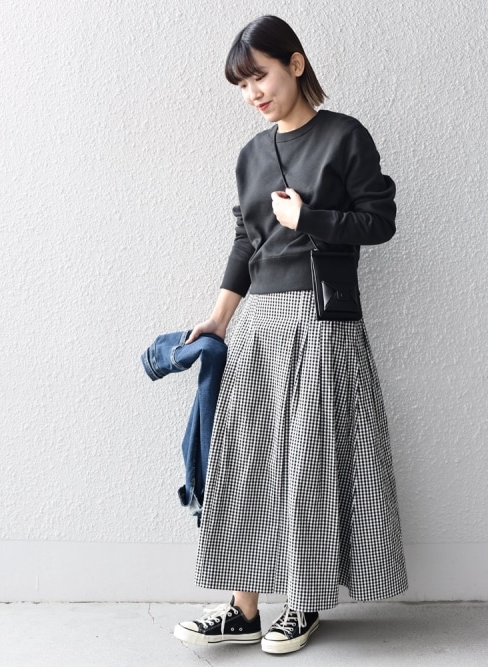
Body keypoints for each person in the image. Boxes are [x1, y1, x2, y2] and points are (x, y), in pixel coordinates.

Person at [173, 14, 408, 655]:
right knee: (246, 462)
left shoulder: (344, 136)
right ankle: (243, 609)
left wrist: (312, 218)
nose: (253, 92)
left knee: (308, 462)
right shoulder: (252, 154)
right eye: (243, 84)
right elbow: (245, 240)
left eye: (262, 76)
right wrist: (219, 317)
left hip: (324, 319)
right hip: (262, 323)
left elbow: (380, 222)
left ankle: (303, 601)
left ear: (295, 65)